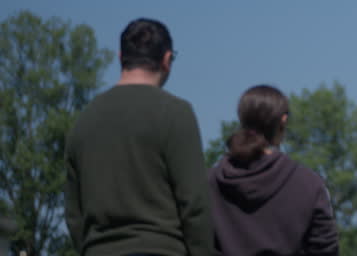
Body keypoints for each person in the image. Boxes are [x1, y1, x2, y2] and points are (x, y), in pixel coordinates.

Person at [64, 18, 213, 256]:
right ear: (166, 60)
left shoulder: (85, 120)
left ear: (121, 57)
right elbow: (194, 204)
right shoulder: (175, 113)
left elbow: (74, 213)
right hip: (160, 248)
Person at [208, 85, 339, 256]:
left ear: (242, 119)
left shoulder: (208, 182)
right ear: (283, 121)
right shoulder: (308, 185)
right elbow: (325, 250)